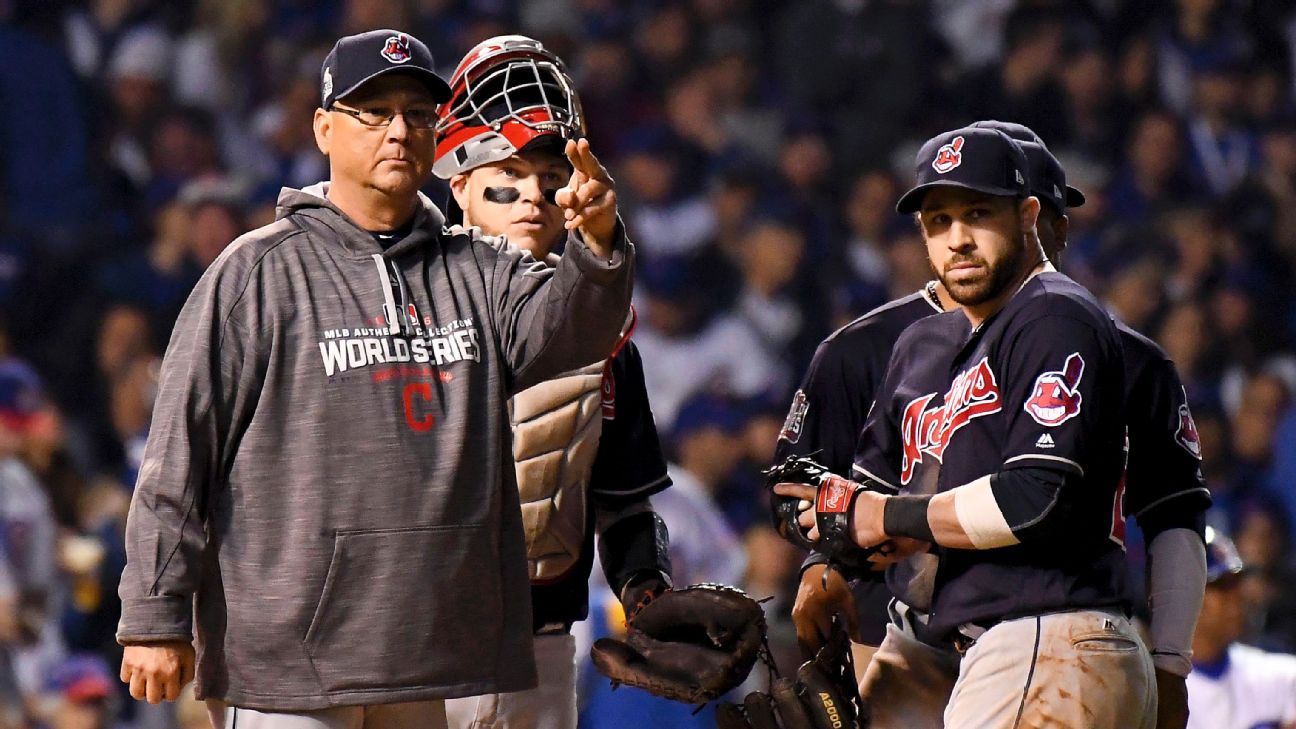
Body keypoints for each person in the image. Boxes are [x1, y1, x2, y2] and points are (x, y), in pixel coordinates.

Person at [115, 28, 636, 729]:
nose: (398, 130)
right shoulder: (256, 273)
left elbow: (570, 335)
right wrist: (153, 614)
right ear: (324, 128)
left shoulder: (478, 268)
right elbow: (179, 455)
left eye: (417, 115)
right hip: (288, 667)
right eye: (374, 112)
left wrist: (597, 244)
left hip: (426, 657)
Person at [788, 121, 1212, 729]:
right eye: (939, 220)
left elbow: (1040, 500)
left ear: (1032, 217)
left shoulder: (1066, 324)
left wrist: (1171, 664)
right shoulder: (922, 345)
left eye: (980, 213)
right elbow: (868, 499)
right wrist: (831, 557)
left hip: (1042, 630)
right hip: (948, 643)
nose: (959, 239)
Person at [430, 36, 672, 729]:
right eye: (509, 170)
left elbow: (624, 499)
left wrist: (648, 590)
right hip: (414, 639)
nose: (534, 192)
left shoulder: (603, 327)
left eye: (547, 173)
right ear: (459, 184)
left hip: (540, 644)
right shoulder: (400, 305)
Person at [1185, 527, 1296, 729]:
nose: (1237, 597)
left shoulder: (1283, 678)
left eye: (1237, 584)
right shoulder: (1153, 696)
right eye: (1222, 586)